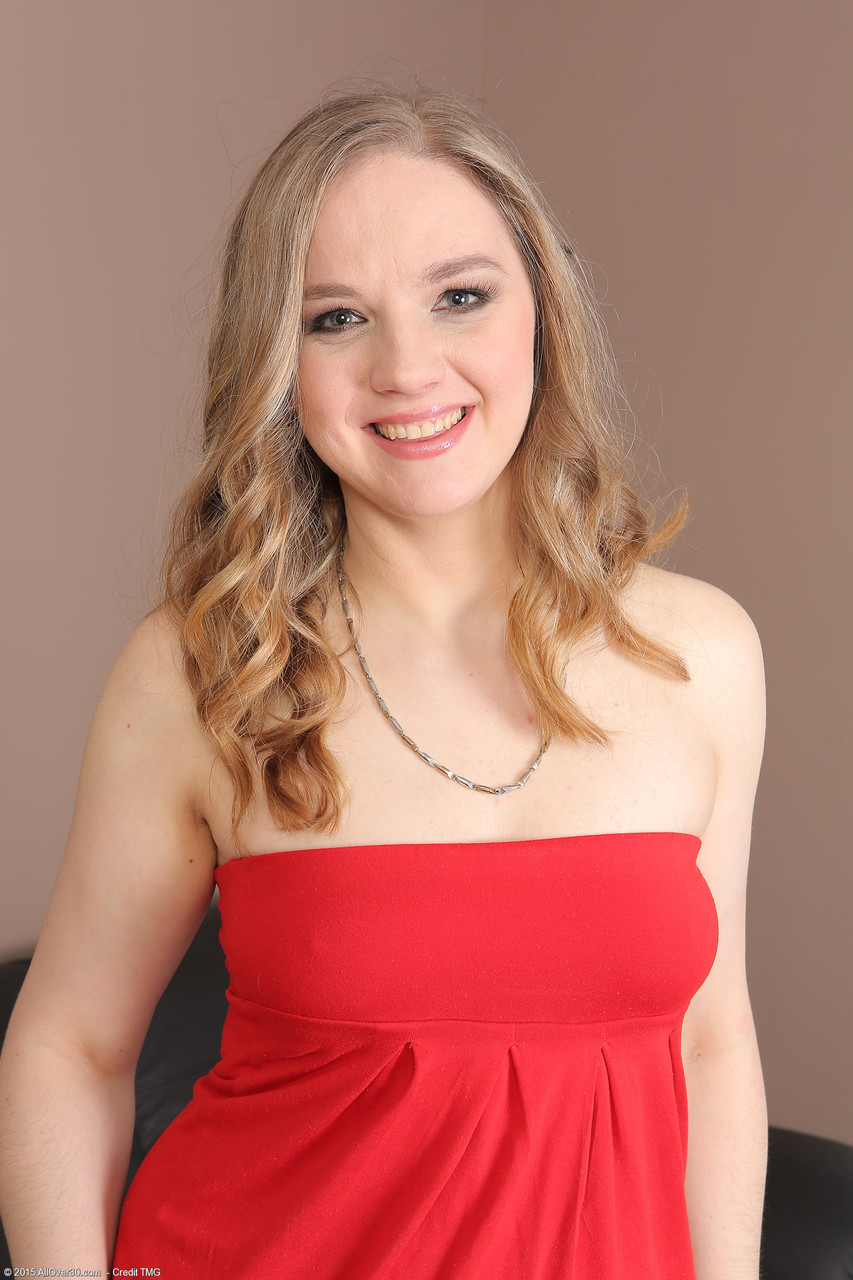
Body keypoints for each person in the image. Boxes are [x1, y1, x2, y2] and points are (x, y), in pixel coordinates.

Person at [0, 84, 767, 1279]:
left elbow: (709, 1043)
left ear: (542, 313)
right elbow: (70, 1046)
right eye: (336, 318)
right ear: (278, 363)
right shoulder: (205, 666)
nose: (406, 366)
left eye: (460, 296)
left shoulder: (701, 655)